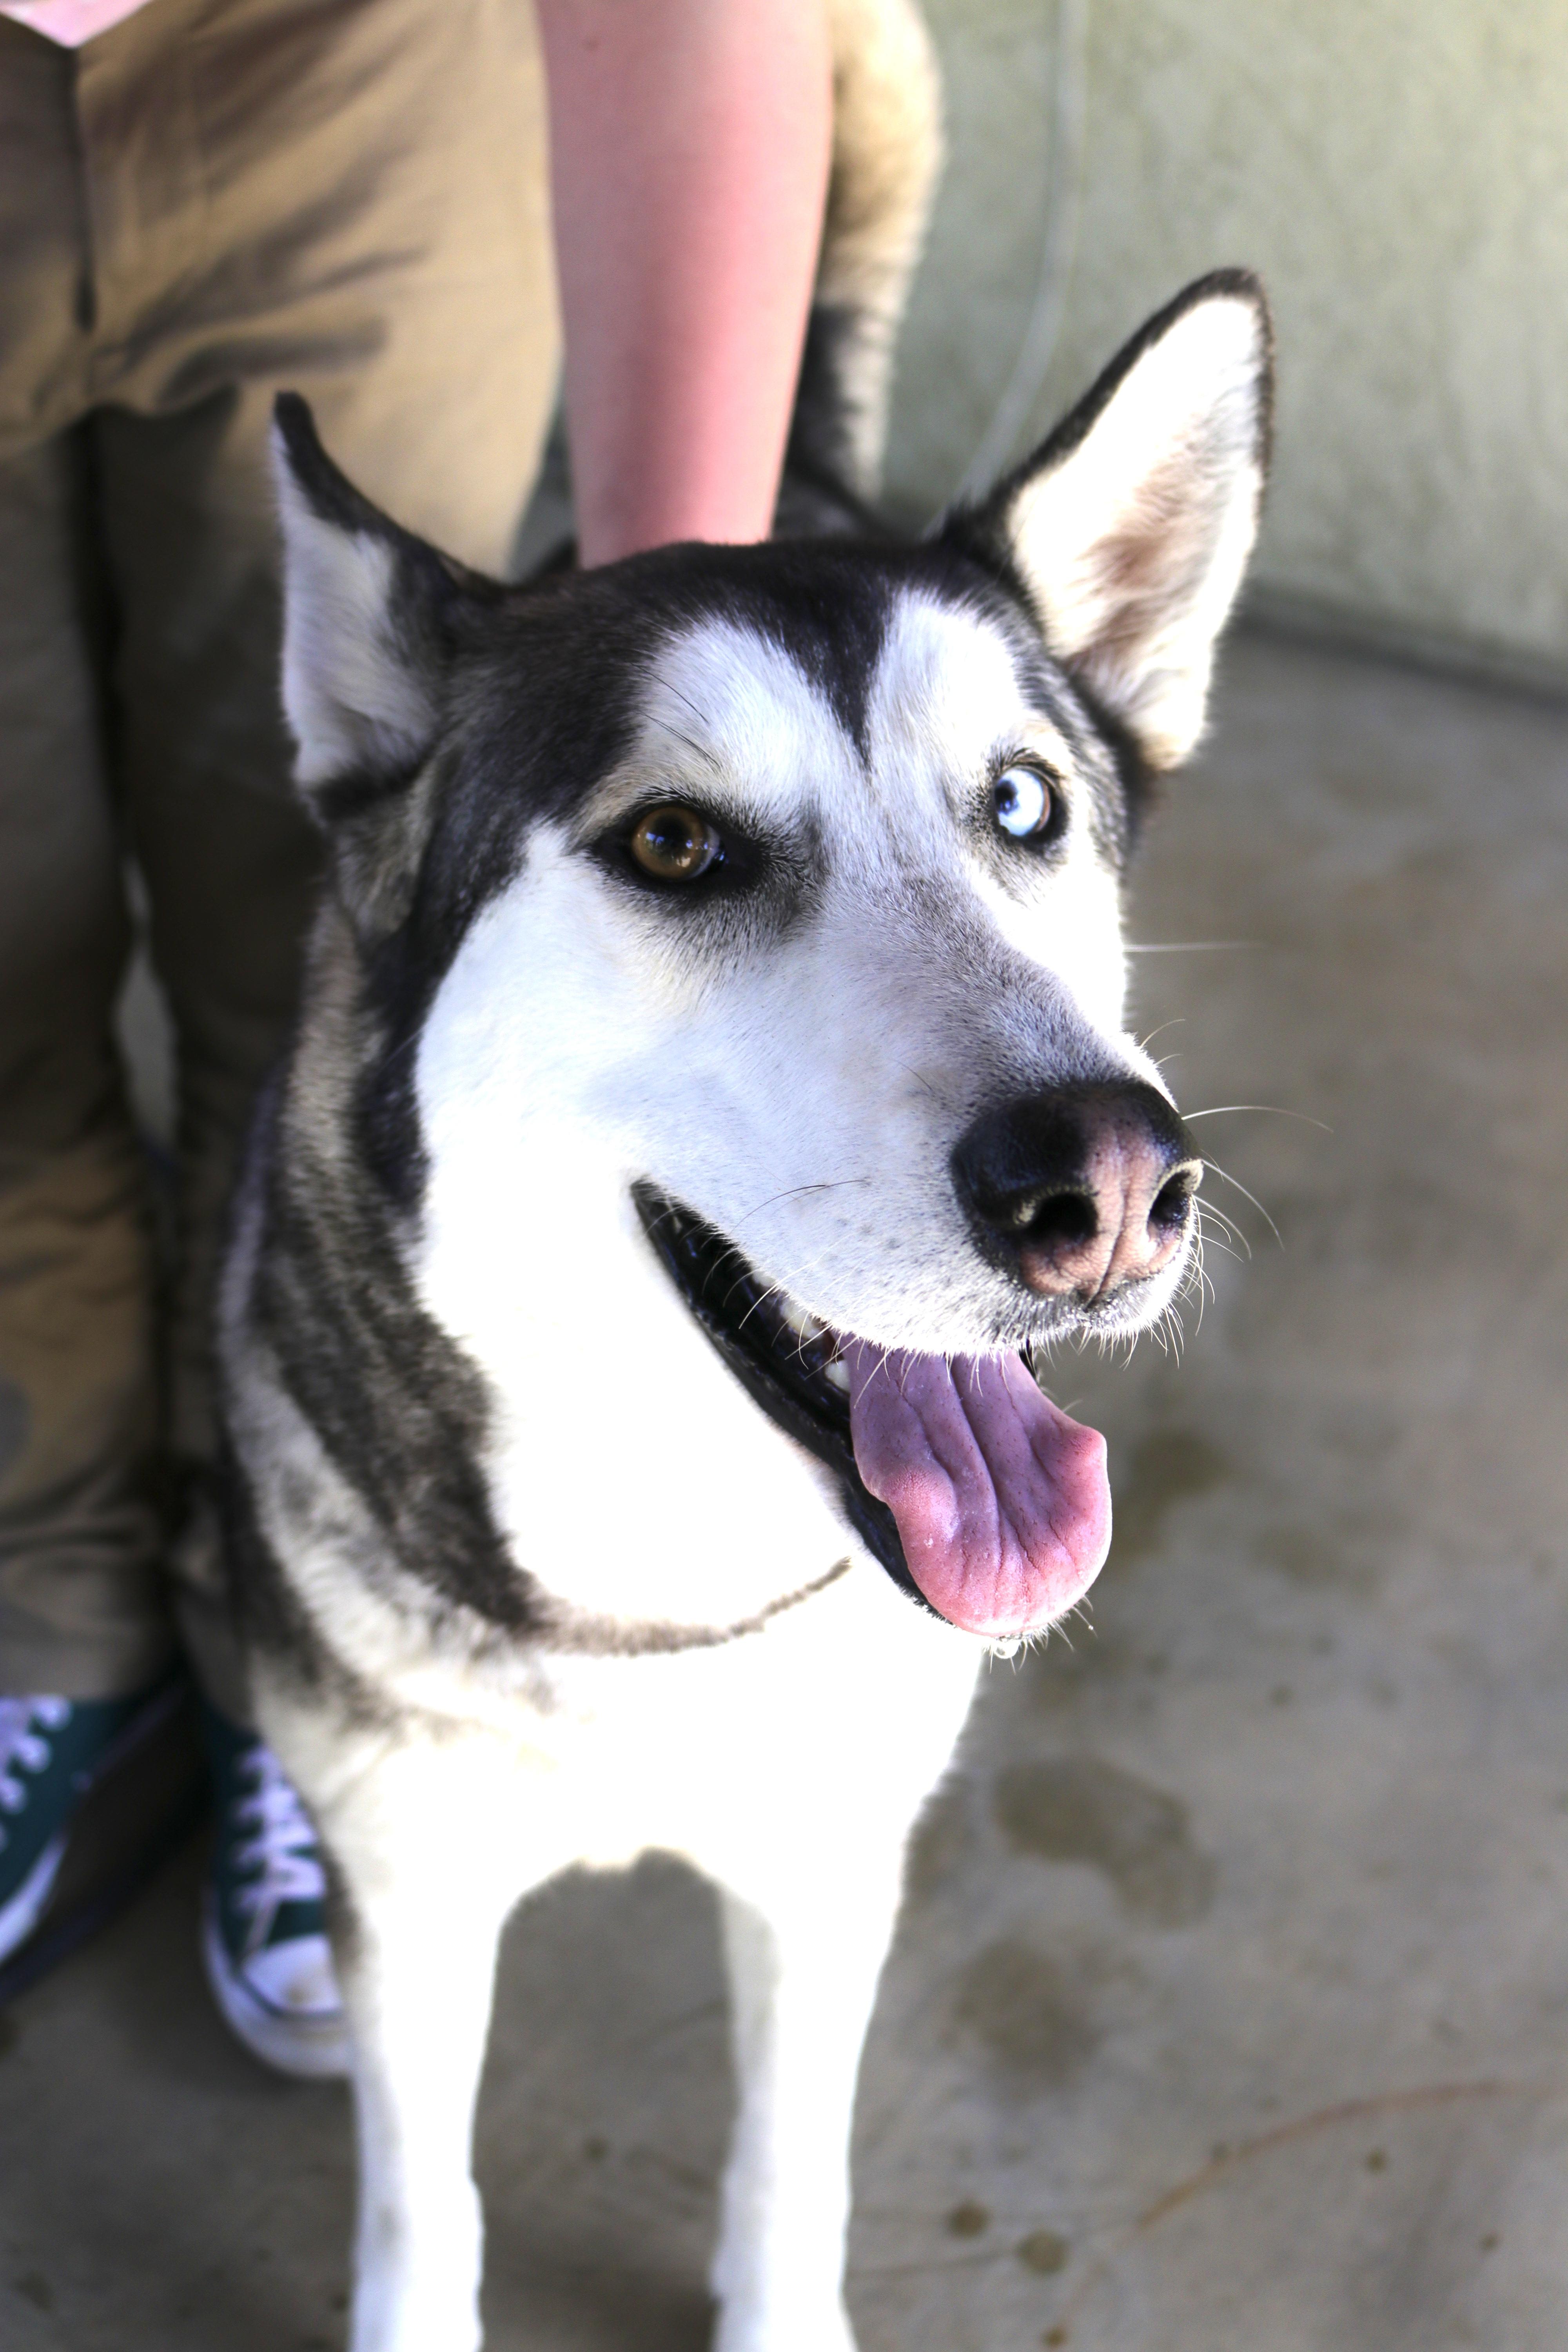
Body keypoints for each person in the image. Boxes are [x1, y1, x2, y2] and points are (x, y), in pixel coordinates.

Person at [0, 0, 834, 2070]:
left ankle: (285, 1652)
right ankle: (56, 1602)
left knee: (340, 968)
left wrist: (668, 656)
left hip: (353, 77)